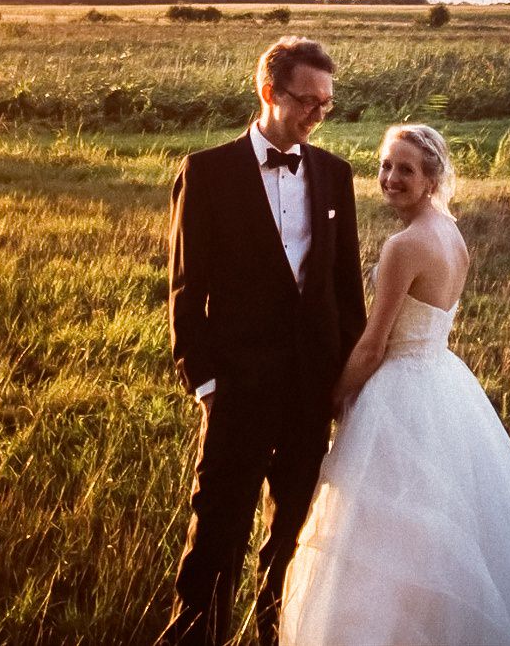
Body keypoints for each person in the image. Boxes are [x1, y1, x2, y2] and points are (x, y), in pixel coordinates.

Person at [279, 124, 510, 646]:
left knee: (384, 528)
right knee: (440, 526)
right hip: (444, 383)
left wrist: (332, 399)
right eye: (385, 165)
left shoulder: (405, 245)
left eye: (406, 169)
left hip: (398, 391)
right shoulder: (451, 232)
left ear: (431, 179)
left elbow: (374, 345)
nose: (391, 178)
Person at [157, 37, 367, 646]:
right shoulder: (208, 172)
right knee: (217, 530)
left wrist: (349, 378)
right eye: (307, 102)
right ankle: (195, 636)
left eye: (327, 106)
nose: (317, 116)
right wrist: (204, 381)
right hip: (238, 389)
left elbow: (343, 285)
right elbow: (184, 287)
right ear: (269, 92)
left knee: (294, 533)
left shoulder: (333, 175)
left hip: (312, 388)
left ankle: (275, 632)